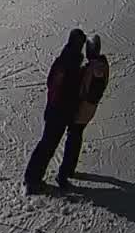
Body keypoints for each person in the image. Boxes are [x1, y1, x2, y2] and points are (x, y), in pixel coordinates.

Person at [25, 29, 88, 194]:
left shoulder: (62, 60)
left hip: (54, 109)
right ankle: (32, 180)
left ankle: (32, 177)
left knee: (46, 144)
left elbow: (50, 82)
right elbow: (71, 92)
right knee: (48, 146)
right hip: (60, 113)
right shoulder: (72, 64)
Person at [60, 35, 112, 186]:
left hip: (83, 109)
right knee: (75, 136)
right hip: (87, 109)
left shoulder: (97, 68)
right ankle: (69, 169)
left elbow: (90, 90)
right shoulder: (98, 65)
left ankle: (65, 172)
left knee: (73, 138)